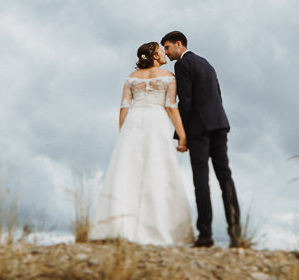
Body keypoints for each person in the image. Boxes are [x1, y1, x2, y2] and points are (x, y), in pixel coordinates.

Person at [89, 41, 194, 245]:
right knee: (158, 166)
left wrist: (123, 132)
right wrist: (182, 135)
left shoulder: (131, 78)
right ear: (154, 56)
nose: (164, 54)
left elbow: (124, 107)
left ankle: (122, 226)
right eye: (160, 51)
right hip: (156, 120)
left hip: (133, 122)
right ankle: (158, 227)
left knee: (128, 170)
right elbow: (171, 107)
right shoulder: (168, 77)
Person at [161, 31, 241, 248]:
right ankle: (236, 232)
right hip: (219, 124)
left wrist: (182, 135)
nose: (166, 53)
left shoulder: (183, 65)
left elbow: (185, 101)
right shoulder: (207, 64)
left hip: (198, 129)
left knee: (201, 180)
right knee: (225, 177)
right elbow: (218, 95)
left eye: (167, 47)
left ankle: (205, 234)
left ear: (179, 44)